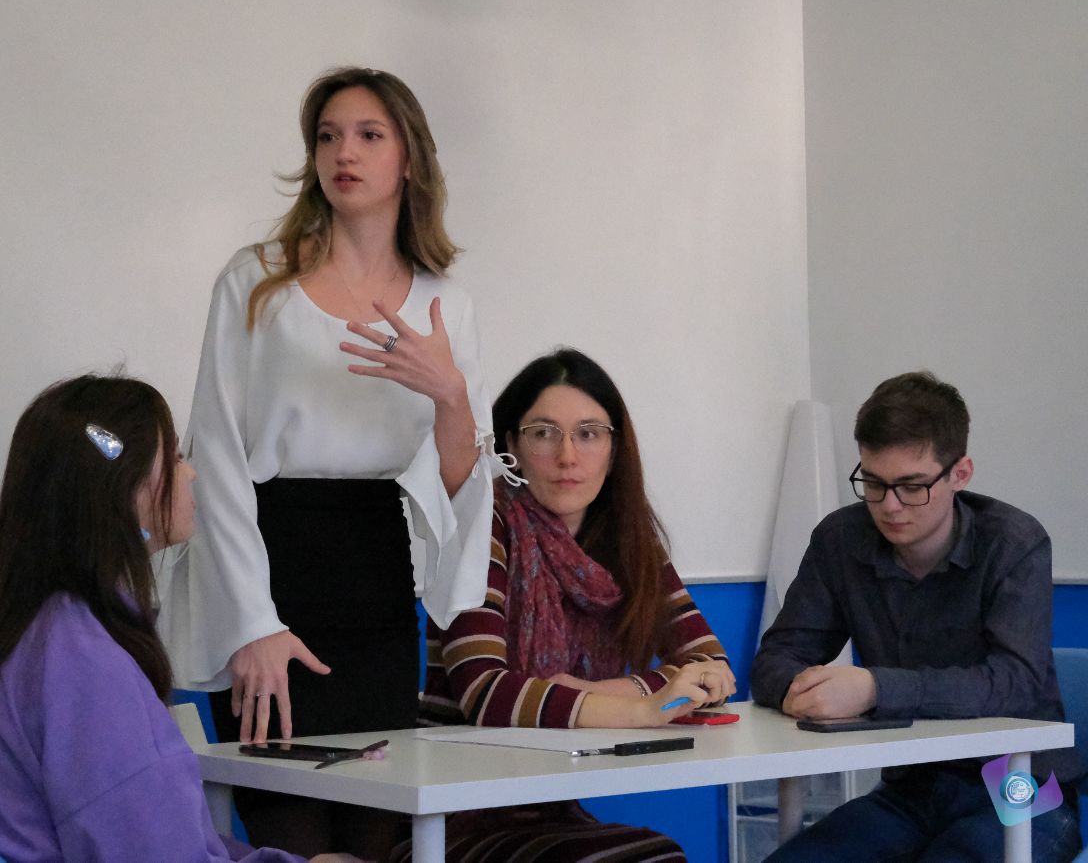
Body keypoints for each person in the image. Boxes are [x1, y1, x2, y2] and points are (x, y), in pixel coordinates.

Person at [156, 67, 504, 857]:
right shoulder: (256, 280)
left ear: (409, 158)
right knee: (293, 838)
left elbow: (460, 483)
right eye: (327, 136)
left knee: (377, 840)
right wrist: (252, 624)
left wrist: (452, 397)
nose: (344, 152)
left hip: (375, 580)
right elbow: (216, 454)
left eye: (369, 135)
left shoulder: (446, 303)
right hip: (268, 567)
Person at [0, 375, 359, 863]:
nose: (191, 473)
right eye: (175, 457)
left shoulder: (46, 630)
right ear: (123, 488)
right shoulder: (82, 661)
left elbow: (163, 840)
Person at [409, 348, 736, 863]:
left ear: (614, 448)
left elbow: (712, 670)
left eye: (588, 433)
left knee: (655, 856)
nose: (567, 456)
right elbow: (485, 695)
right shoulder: (480, 524)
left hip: (553, 806)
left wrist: (595, 691)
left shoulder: (629, 542)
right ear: (511, 445)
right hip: (451, 812)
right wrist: (643, 707)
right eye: (544, 433)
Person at [751, 371, 1083, 862]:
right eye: (873, 482)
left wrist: (875, 689)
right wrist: (800, 689)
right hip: (912, 787)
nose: (889, 506)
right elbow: (775, 659)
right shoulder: (840, 539)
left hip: (1020, 784)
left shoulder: (1014, 542)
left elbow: (1017, 683)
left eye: (911, 486)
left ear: (960, 474)